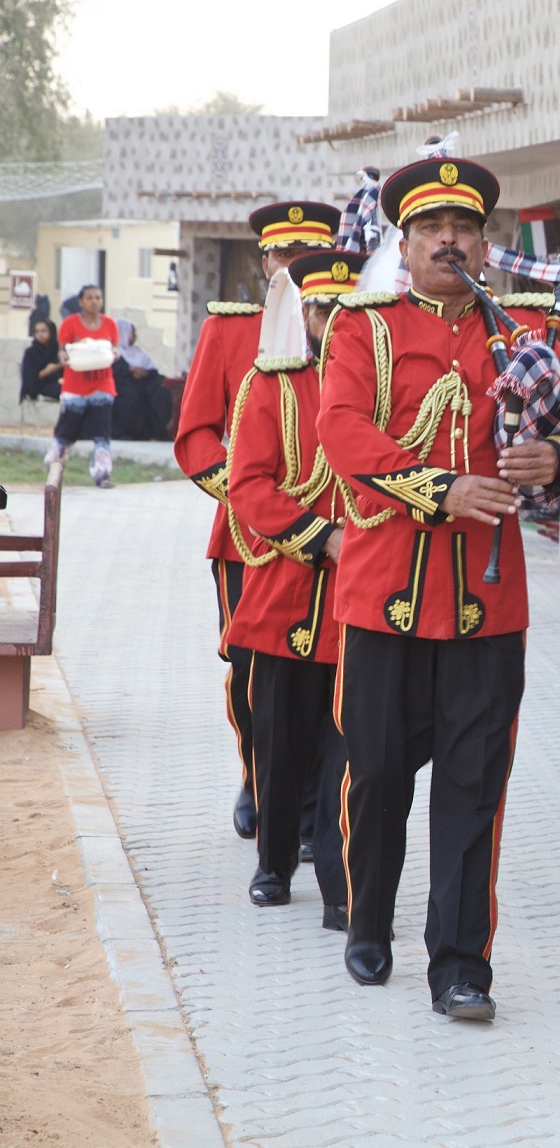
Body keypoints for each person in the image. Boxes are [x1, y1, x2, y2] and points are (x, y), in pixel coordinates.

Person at [318, 157, 560, 1020]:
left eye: (465, 228)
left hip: (488, 604)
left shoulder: (526, 330)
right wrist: (443, 488)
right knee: (380, 773)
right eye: (432, 228)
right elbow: (343, 433)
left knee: (474, 786)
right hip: (384, 594)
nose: (449, 240)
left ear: (484, 241)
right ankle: (369, 920)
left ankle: (462, 963)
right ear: (404, 243)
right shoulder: (365, 327)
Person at [175, 199, 341, 841]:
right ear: (263, 261)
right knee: (252, 677)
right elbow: (195, 439)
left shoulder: (353, 332)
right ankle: (258, 775)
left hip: (334, 543)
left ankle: (307, 807)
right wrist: (252, 501)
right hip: (248, 542)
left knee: (325, 673)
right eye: (284, 256)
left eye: (309, 255)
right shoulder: (230, 330)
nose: (295, 267)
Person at [224, 251, 359, 924]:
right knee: (277, 746)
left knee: (349, 753)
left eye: (342, 308)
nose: (331, 321)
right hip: (283, 594)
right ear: (304, 313)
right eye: (320, 308)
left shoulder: (378, 387)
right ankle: (274, 863)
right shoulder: (275, 384)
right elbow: (248, 486)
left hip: (358, 603)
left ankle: (341, 888)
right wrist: (320, 536)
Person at [50, 284, 122, 488]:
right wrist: (64, 356)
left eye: (98, 297)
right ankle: (54, 473)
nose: (94, 301)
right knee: (65, 433)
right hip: (75, 388)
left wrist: (115, 353)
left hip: (103, 385)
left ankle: (102, 474)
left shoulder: (109, 324)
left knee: (102, 433)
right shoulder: (70, 324)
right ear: (80, 302)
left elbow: (114, 348)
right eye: (89, 298)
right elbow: (62, 351)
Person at [111, 321, 173, 441]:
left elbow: (152, 371)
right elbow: (114, 370)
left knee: (161, 391)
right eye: (132, 333)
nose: (135, 336)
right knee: (133, 393)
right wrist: (130, 370)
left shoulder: (137, 351)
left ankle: (157, 431)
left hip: (143, 382)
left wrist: (145, 373)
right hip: (121, 385)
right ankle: (126, 432)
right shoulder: (113, 351)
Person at [20, 319, 62, 408]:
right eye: (37, 331)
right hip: (38, 387)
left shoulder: (58, 350)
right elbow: (29, 378)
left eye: (43, 331)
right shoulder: (31, 352)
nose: (40, 334)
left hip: (58, 383)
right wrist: (47, 371)